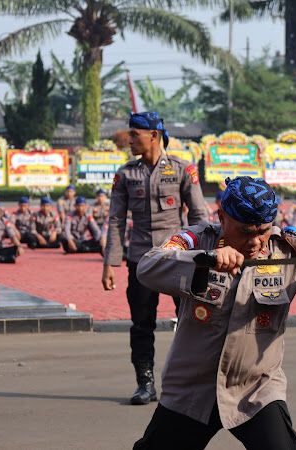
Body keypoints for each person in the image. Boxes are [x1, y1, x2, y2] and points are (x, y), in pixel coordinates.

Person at [131, 176, 296, 450]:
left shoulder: (291, 247)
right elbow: (147, 267)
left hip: (255, 390)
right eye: (245, 231)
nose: (255, 241)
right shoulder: (196, 240)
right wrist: (205, 261)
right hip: (192, 389)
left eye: (263, 231)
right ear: (222, 217)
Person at [101, 111, 208, 406]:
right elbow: (116, 220)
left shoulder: (183, 169)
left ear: (154, 136)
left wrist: (203, 257)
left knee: (190, 321)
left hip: (178, 259)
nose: (129, 140)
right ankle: (145, 384)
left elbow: (199, 216)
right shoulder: (125, 174)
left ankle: (189, 382)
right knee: (141, 324)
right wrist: (110, 263)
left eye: (135, 134)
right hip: (141, 261)